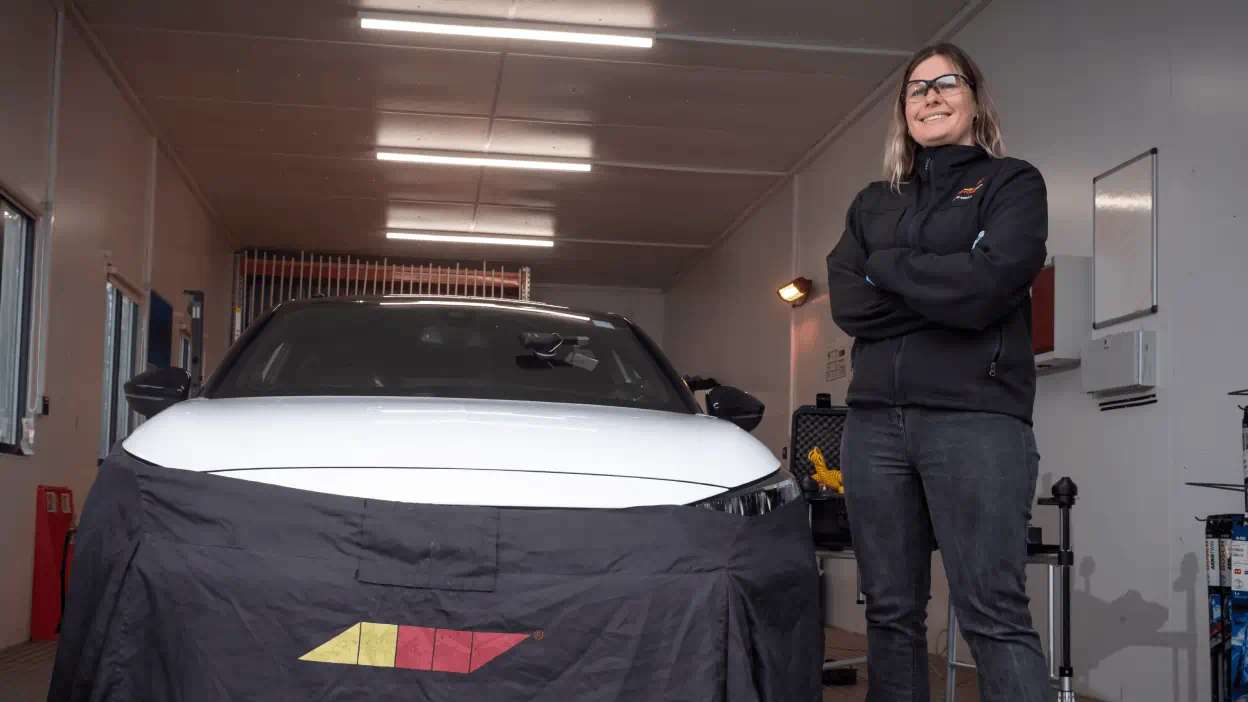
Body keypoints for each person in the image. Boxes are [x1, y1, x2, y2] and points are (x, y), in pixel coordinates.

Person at [825, 42, 1050, 701]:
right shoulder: (873, 203)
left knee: (992, 612)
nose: (931, 96)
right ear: (904, 111)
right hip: (875, 427)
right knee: (889, 612)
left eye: (947, 83)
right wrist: (946, 289)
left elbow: (988, 288)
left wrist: (888, 268)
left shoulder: (1012, 185)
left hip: (975, 419)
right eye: (917, 88)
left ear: (975, 99)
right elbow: (849, 304)